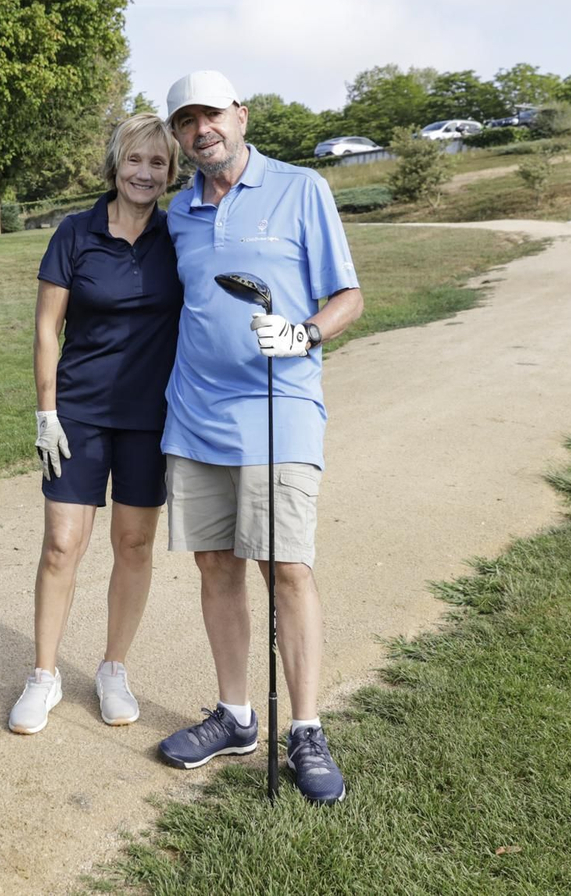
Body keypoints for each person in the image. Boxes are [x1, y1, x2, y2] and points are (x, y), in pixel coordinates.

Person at [154, 70, 364, 803]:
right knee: (215, 566)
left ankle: (304, 728)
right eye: (185, 121)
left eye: (209, 114)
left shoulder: (301, 188)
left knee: (286, 567)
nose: (198, 129)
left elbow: (349, 296)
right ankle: (237, 714)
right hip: (195, 413)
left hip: (279, 404)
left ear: (240, 115)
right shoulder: (178, 213)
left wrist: (305, 331)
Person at [8, 112, 182, 734]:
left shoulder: (178, 233)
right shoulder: (75, 233)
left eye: (157, 163)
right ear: (115, 164)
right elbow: (45, 329)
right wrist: (46, 411)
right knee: (62, 544)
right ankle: (44, 676)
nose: (144, 172)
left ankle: (113, 669)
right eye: (134, 160)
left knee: (133, 544)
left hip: (150, 417)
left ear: (170, 172)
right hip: (78, 412)